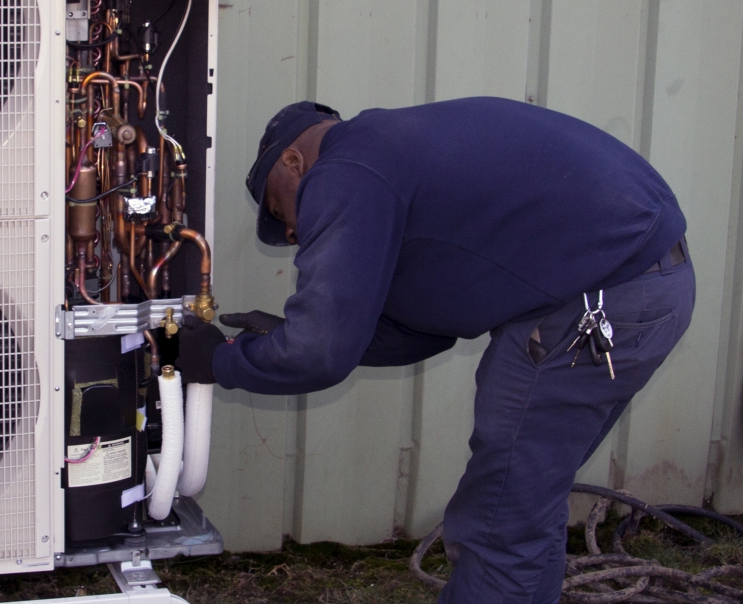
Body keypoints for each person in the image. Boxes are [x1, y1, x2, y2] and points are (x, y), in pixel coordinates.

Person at [176, 97, 695, 604]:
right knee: (525, 500)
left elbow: (320, 354)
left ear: (294, 161)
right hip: (646, 282)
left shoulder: (346, 170)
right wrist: (286, 338)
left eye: (278, 207)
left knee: (500, 514)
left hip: (604, 299)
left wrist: (221, 361)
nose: (291, 230)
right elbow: (419, 330)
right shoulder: (388, 154)